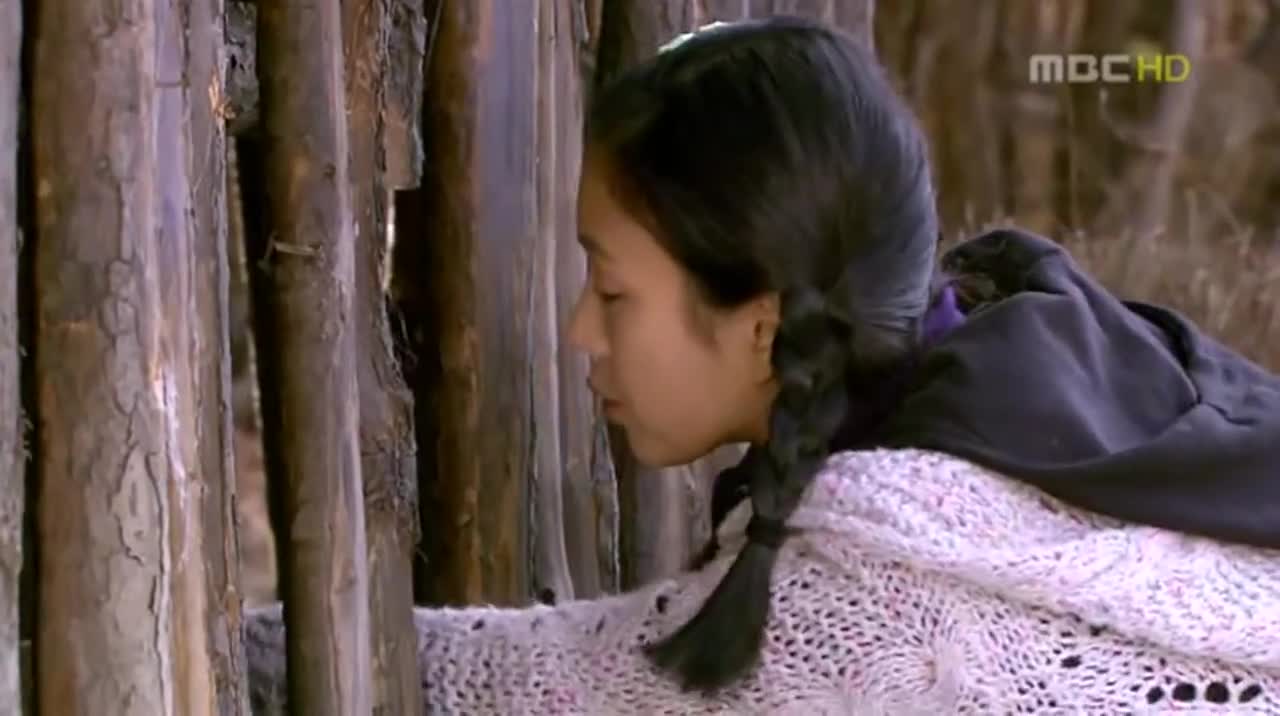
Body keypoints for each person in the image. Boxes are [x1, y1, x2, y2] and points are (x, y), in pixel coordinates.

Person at [244, 16, 1280, 714]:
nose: (579, 331)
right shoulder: (1051, 362)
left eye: (612, 290)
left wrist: (246, 650)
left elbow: (573, 682)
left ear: (760, 323)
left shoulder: (875, 598)